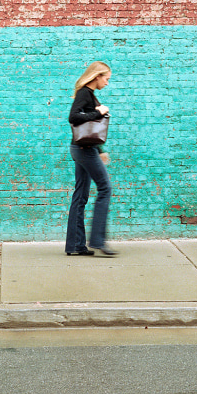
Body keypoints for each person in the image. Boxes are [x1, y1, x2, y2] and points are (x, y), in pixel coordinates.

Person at [65, 61, 118, 256]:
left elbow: (92, 129)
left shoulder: (89, 95)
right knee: (105, 188)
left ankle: (76, 245)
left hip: (82, 149)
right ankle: (98, 240)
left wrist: (101, 149)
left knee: (80, 195)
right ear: (97, 76)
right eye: (106, 78)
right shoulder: (85, 93)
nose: (107, 82)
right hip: (84, 150)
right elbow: (74, 118)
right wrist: (98, 112)